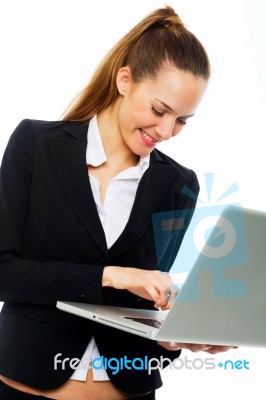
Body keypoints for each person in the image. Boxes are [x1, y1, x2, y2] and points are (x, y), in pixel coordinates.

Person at [0, 5, 236, 400]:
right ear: (124, 79)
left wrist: (174, 340)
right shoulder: (35, 146)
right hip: (24, 388)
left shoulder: (180, 185)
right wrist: (111, 275)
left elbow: (144, 315)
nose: (165, 131)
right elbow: (5, 272)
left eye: (181, 120)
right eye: (159, 110)